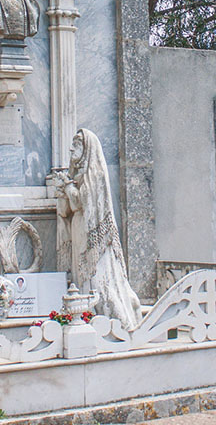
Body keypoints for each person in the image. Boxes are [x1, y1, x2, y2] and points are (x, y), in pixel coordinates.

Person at [56, 128, 143, 328]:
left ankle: (106, 318)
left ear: (87, 149)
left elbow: (80, 203)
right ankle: (82, 315)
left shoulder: (94, 174)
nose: (71, 149)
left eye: (76, 145)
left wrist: (68, 187)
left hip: (91, 233)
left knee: (94, 277)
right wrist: (63, 191)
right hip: (79, 227)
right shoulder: (77, 175)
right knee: (80, 273)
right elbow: (67, 210)